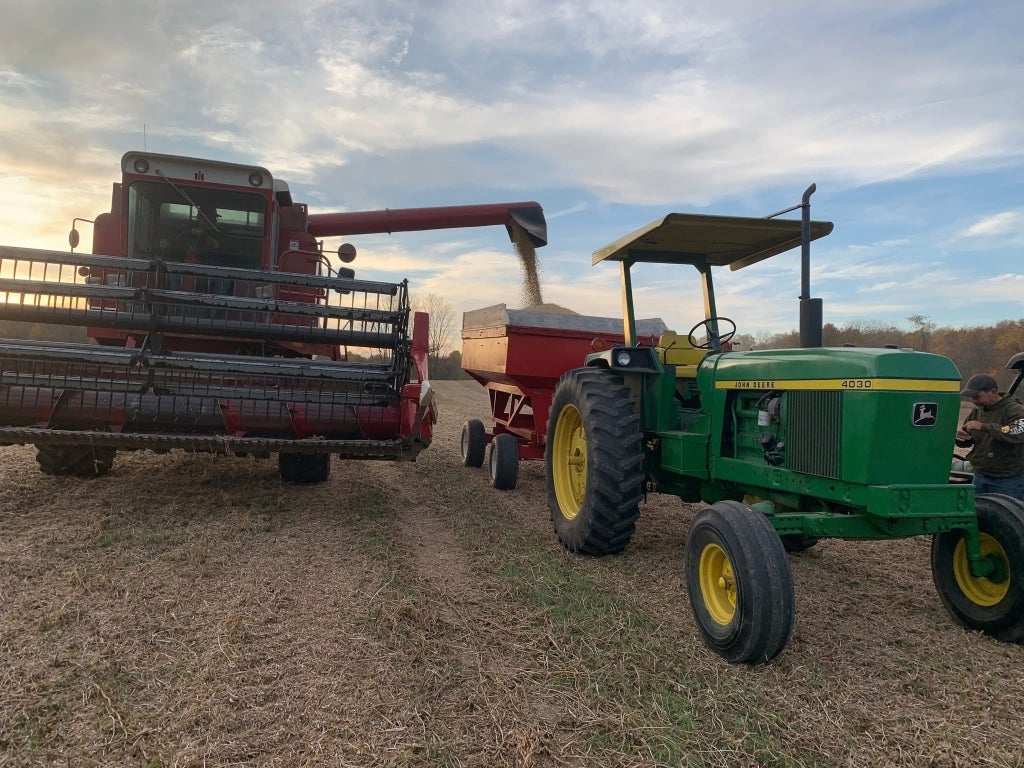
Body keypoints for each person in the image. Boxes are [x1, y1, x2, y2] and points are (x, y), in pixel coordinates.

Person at [955, 373, 1024, 499]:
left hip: (1008, 480)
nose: (973, 400)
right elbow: (969, 437)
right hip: (980, 476)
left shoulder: (1014, 409)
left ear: (993, 391)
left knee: (1005, 516)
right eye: (971, 397)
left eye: (977, 396)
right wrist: (962, 439)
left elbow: (1018, 433)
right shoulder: (978, 410)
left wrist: (984, 426)